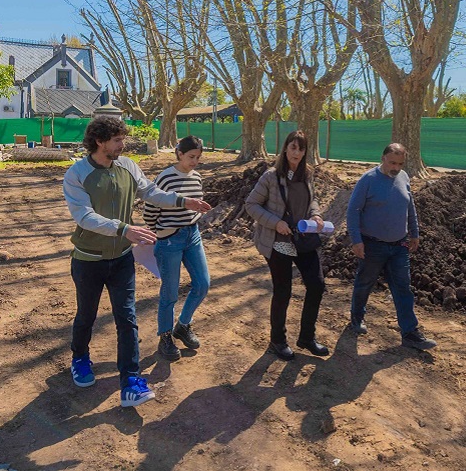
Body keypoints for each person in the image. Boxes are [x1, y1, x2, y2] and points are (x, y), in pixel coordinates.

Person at [62, 117, 211, 407]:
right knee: (86, 315)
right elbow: (84, 216)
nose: (123, 144)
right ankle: (80, 358)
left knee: (127, 317)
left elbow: (151, 192)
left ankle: (131, 380)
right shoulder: (77, 173)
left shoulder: (128, 166)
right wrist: (124, 229)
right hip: (89, 260)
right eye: (117, 140)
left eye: (122, 139)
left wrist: (183, 201)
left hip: (121, 259)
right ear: (100, 141)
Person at [245, 130, 329, 361]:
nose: (297, 153)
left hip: (303, 239)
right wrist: (276, 223)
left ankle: (307, 338)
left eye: (301, 148)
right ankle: (278, 341)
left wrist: (316, 216)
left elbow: (312, 201)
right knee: (283, 291)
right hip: (278, 241)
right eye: (293, 147)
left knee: (317, 285)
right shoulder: (271, 176)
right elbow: (251, 204)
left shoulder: (307, 174)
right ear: (285, 148)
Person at [346, 143, 437, 350]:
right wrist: (356, 240)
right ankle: (357, 317)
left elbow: (409, 206)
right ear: (383, 158)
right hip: (372, 245)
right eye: (392, 162)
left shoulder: (403, 177)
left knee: (403, 288)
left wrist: (414, 233)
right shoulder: (368, 180)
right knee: (365, 283)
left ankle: (410, 333)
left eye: (400, 163)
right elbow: (353, 211)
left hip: (399, 245)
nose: (395, 167)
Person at [142, 135, 210, 361]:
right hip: (169, 240)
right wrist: (160, 232)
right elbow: (150, 211)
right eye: (191, 157)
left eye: (198, 158)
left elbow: (195, 204)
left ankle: (183, 325)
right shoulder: (165, 177)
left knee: (202, 284)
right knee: (170, 293)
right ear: (179, 153)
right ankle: (165, 336)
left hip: (193, 235)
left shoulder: (197, 177)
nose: (194, 162)